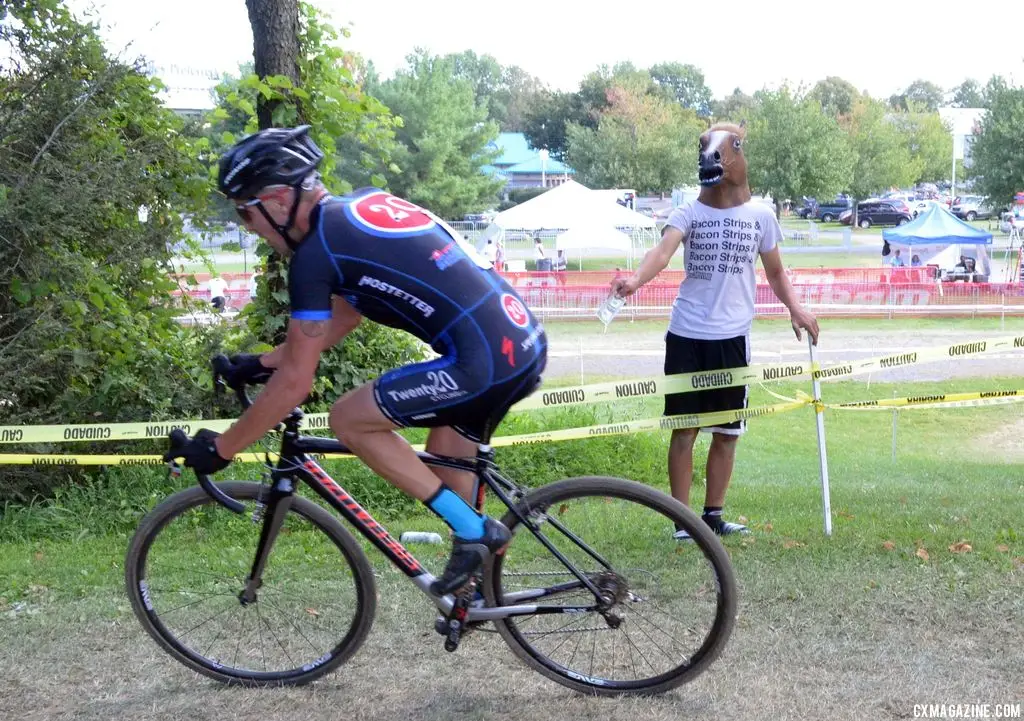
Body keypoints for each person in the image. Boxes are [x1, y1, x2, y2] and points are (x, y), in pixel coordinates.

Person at [175, 126, 547, 595]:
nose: (249, 228)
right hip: (518, 342)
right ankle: (475, 593)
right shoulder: (352, 215)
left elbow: (296, 385)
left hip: (483, 361)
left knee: (349, 418)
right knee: (448, 472)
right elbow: (344, 318)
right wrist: (261, 362)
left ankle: (478, 534)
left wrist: (222, 448)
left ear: (275, 200)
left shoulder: (316, 254)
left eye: (245, 215)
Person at [611, 122, 819, 540]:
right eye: (707, 149)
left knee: (727, 432)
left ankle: (713, 517)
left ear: (740, 156)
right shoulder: (688, 211)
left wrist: (795, 308)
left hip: (732, 337)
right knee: (684, 429)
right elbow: (663, 251)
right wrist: (635, 281)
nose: (714, 156)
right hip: (687, 334)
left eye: (727, 149)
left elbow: (775, 272)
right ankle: (681, 521)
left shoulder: (761, 215)